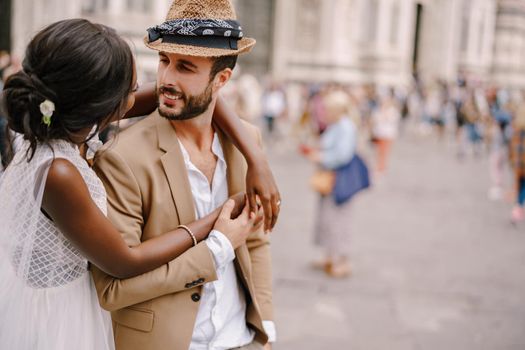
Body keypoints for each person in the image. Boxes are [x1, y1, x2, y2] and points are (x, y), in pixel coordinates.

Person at [0, 18, 278, 350]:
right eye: (131, 89)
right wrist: (216, 226)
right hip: (56, 318)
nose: (154, 87)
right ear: (101, 103)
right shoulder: (58, 170)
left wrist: (256, 158)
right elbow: (124, 262)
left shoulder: (65, 119)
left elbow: (201, 97)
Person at [91, 1, 277, 349]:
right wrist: (218, 247)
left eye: (186, 67)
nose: (166, 79)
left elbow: (255, 240)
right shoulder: (122, 158)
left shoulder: (246, 141)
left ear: (222, 79)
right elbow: (113, 290)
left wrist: (264, 326)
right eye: (164, 61)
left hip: (241, 339)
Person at [301, 90, 359, 278]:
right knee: (327, 217)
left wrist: (320, 156)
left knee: (338, 219)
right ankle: (330, 256)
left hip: (339, 178)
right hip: (329, 177)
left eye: (327, 109)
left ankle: (342, 260)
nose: (323, 113)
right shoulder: (336, 125)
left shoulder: (345, 127)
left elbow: (342, 155)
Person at [509, 95, 525, 224]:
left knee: (521, 186)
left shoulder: (517, 130)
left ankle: (518, 208)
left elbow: (513, 148)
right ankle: (518, 208)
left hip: (519, 164)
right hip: (522, 163)